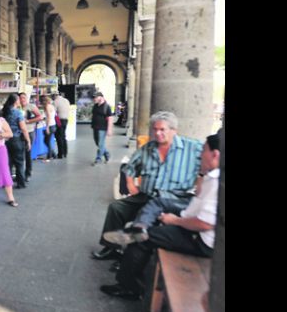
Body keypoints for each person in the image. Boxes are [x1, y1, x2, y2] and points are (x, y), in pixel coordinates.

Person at [100, 132, 220, 299]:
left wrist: (175, 221)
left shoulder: (215, 181)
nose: (201, 155)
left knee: (142, 239)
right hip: (179, 210)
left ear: (215, 154)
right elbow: (130, 167)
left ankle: (129, 286)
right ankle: (139, 227)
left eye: (204, 151)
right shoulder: (212, 176)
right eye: (155, 129)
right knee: (153, 205)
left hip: (199, 238)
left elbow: (205, 224)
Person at [91, 111, 204, 261]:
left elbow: (213, 160)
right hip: (146, 195)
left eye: (162, 129)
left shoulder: (192, 148)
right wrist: (130, 184)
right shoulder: (147, 149)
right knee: (116, 208)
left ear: (174, 130)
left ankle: (130, 258)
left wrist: (203, 181)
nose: (157, 133)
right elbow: (129, 167)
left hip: (173, 199)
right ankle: (112, 248)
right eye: (155, 129)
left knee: (143, 220)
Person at [1, 94, 32, 189]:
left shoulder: (4, 112)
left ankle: (7, 182)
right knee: (19, 162)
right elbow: (23, 128)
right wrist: (28, 140)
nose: (20, 101)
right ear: (15, 102)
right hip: (16, 139)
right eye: (18, 100)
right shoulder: (18, 113)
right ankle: (20, 182)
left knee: (8, 162)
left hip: (6, 140)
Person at [19, 92, 43, 181]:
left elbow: (40, 117)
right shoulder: (17, 107)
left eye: (24, 97)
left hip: (29, 132)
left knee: (28, 153)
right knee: (19, 154)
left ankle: (28, 173)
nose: (22, 99)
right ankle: (20, 174)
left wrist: (28, 121)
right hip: (19, 133)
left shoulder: (31, 107)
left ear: (26, 98)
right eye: (20, 98)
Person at [90, 91, 113, 166]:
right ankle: (106, 154)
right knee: (98, 143)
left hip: (102, 128)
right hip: (95, 127)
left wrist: (109, 129)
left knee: (100, 143)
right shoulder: (95, 105)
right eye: (94, 98)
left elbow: (110, 118)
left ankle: (98, 158)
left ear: (101, 97)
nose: (94, 99)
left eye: (96, 97)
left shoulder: (107, 107)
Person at [52, 91, 70, 159]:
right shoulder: (66, 100)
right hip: (66, 120)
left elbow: (53, 113)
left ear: (54, 96)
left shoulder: (55, 102)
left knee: (59, 137)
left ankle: (60, 154)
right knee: (63, 136)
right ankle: (65, 153)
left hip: (59, 120)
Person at [39, 95, 57, 162]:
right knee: (47, 141)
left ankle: (49, 156)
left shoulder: (47, 106)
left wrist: (47, 127)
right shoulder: (51, 106)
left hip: (50, 126)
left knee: (47, 141)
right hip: (53, 125)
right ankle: (53, 154)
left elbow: (48, 117)